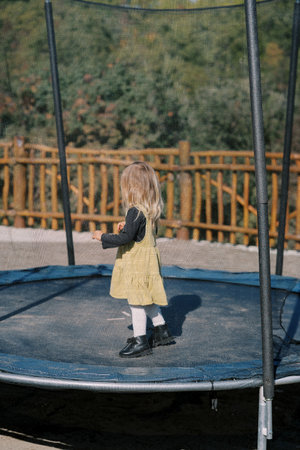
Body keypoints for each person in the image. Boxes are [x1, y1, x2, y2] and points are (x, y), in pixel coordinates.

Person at [92, 161, 174, 358]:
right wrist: (127, 226)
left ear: (132, 188)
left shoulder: (134, 211)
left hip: (138, 265)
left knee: (136, 301)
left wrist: (101, 236)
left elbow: (125, 238)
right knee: (146, 297)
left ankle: (140, 341)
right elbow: (138, 233)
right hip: (148, 262)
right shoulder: (150, 211)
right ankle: (161, 331)